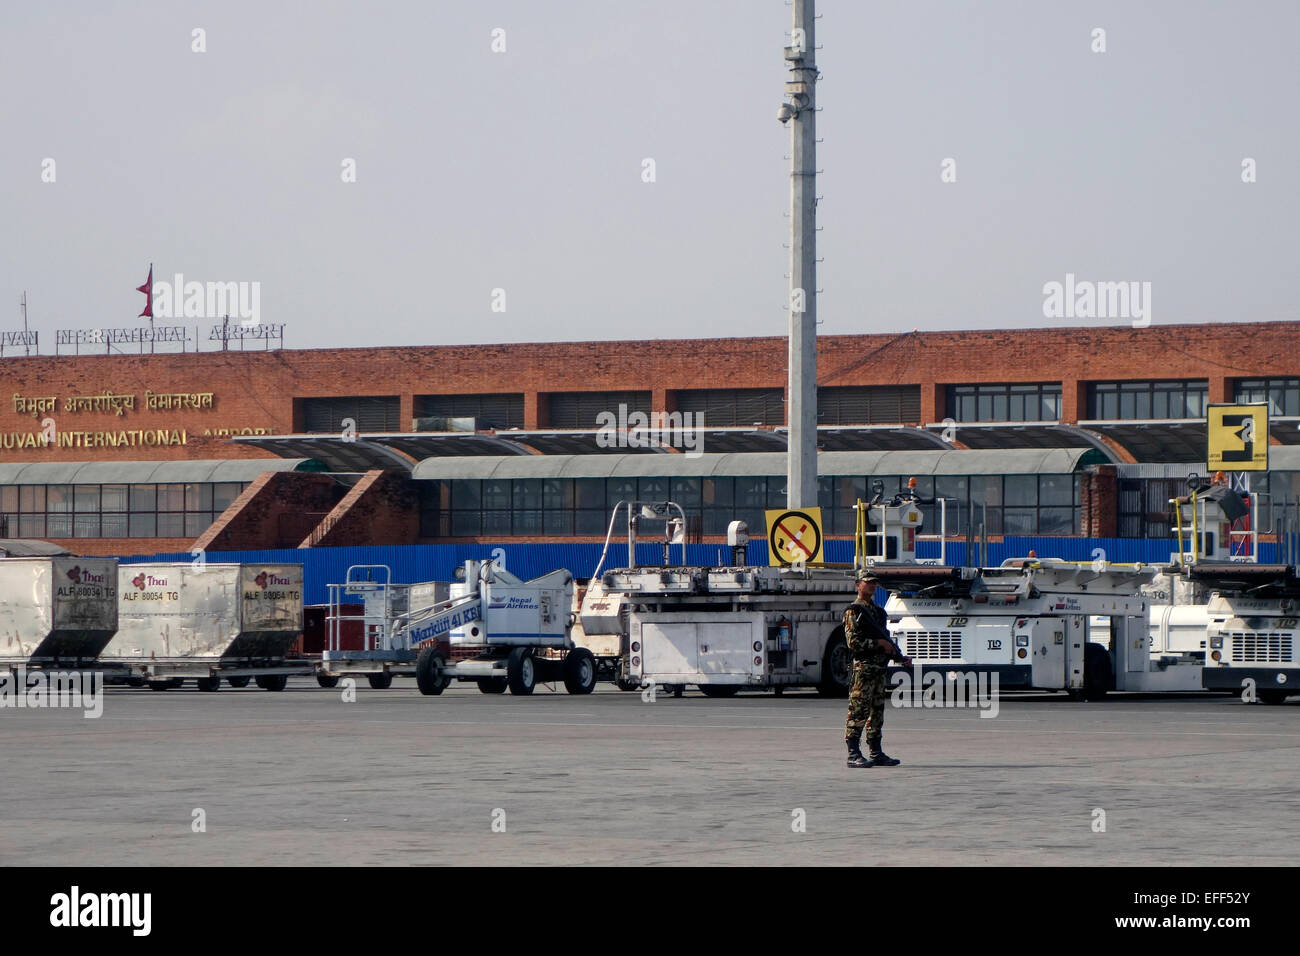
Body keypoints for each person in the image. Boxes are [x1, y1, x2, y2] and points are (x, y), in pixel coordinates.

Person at [844, 570, 911, 768]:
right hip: (863, 669)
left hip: (879, 669)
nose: (872, 586)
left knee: (876, 713)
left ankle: (876, 751)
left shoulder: (878, 612)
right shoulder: (853, 611)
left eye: (874, 583)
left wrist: (899, 657)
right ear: (858, 584)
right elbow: (853, 643)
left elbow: (887, 641)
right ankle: (853, 753)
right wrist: (878, 643)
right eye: (868, 582)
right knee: (858, 711)